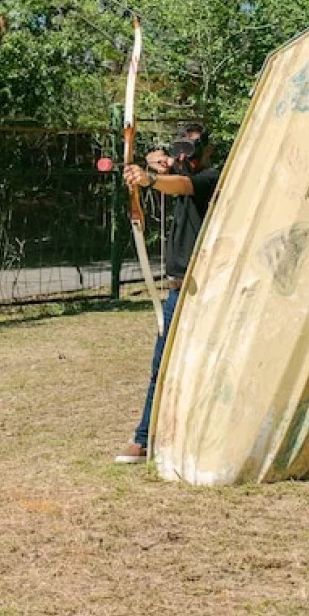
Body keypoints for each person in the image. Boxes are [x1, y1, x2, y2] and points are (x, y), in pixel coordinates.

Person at [115, 124, 221, 463]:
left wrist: (149, 178)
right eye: (179, 149)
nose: (183, 157)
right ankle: (145, 437)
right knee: (161, 367)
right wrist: (151, 161)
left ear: (206, 153)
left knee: (209, 366)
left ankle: (206, 435)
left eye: (191, 151)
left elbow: (184, 185)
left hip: (207, 291)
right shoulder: (177, 169)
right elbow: (166, 168)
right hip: (178, 292)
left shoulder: (214, 177)